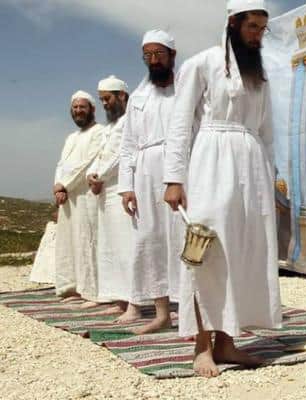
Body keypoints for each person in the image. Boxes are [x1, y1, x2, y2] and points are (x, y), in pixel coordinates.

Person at [163, 0, 281, 377]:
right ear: (233, 23)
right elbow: (180, 124)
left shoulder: (260, 75)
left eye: (262, 28)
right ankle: (201, 346)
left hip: (252, 166)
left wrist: (271, 176)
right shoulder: (202, 63)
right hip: (212, 161)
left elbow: (267, 131)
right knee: (207, 251)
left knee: (242, 251)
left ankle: (228, 343)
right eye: (252, 27)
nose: (258, 35)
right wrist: (174, 179)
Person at [118, 29, 182, 330]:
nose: (154, 60)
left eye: (159, 54)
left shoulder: (187, 89)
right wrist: (126, 187)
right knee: (151, 239)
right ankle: (161, 313)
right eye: (148, 55)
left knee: (184, 236)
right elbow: (128, 144)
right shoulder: (138, 97)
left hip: (181, 167)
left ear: (172, 55)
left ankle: (192, 309)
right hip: (145, 171)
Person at [88, 75, 134, 314]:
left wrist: (101, 175)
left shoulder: (130, 122)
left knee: (126, 247)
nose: (104, 104)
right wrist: (92, 174)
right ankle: (119, 299)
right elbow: (101, 155)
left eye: (107, 99)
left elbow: (123, 154)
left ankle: (133, 301)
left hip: (122, 188)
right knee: (110, 248)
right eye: (102, 100)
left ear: (121, 96)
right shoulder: (109, 128)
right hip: (105, 191)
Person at [53, 91, 104, 307]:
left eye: (82, 107)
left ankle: (93, 292)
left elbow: (88, 164)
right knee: (69, 242)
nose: (78, 111)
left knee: (87, 241)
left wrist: (65, 185)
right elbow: (62, 164)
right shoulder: (71, 138)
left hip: (86, 196)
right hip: (68, 197)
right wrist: (58, 185)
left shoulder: (99, 132)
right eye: (75, 107)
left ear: (92, 109)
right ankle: (72, 287)